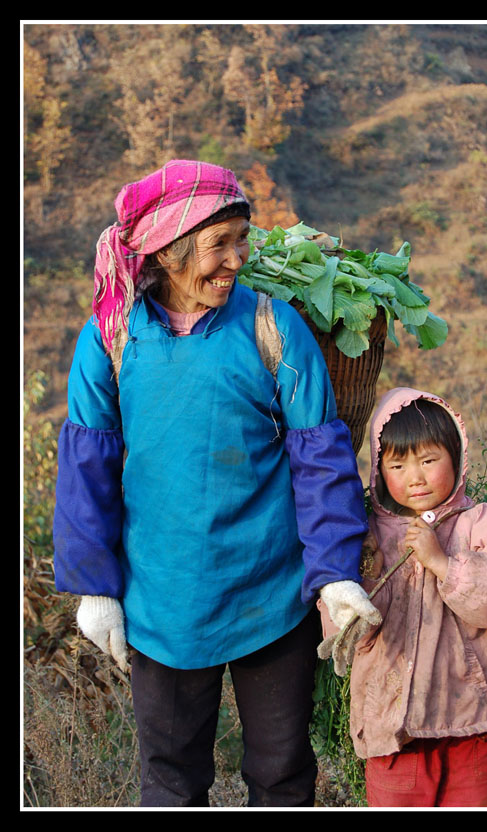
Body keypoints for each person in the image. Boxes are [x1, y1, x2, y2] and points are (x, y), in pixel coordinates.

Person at [52, 159, 381, 808]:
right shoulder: (113, 340)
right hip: (164, 604)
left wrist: (335, 573)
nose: (235, 260)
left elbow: (321, 459)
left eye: (241, 241)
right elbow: (87, 468)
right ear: (170, 252)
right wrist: (95, 587)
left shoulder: (271, 328)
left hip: (271, 597)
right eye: (217, 246)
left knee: (282, 774)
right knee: (171, 781)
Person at [318, 387, 487, 807]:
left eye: (429, 460)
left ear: (456, 455)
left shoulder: (480, 521)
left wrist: (443, 564)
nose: (415, 477)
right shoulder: (366, 534)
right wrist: (368, 572)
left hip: (472, 725)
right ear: (380, 471)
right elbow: (349, 634)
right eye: (398, 464)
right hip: (395, 731)